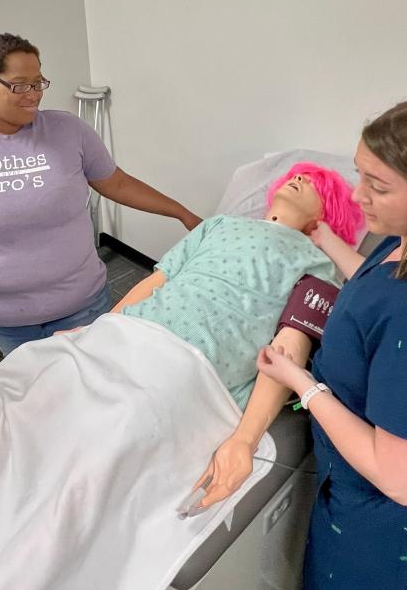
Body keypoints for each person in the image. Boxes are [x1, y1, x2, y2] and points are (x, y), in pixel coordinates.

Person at [195, 95, 407, 590]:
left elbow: (400, 480)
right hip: (365, 483)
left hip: (386, 519)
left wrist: (303, 384)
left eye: (378, 187)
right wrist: (324, 237)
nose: (359, 197)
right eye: (359, 177)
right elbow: (375, 290)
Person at [0, 32, 201, 355]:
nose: (33, 95)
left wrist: (181, 212)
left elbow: (116, 182)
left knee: (91, 381)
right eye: (20, 85)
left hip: (81, 303)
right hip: (0, 317)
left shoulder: (69, 131)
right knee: (35, 395)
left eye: (38, 82)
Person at [112, 163, 364, 407]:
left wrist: (246, 436)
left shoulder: (317, 261)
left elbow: (293, 340)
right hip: (137, 326)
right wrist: (103, 324)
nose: (298, 179)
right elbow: (158, 278)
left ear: (324, 213)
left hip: (200, 361)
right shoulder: (218, 224)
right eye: (298, 176)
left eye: (311, 184)